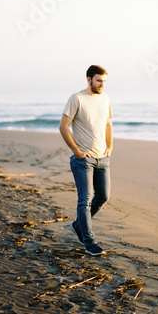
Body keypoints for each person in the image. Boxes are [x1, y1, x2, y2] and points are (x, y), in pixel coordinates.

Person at [59, 65, 113, 256]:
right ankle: (90, 242)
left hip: (102, 158)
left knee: (103, 197)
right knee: (85, 200)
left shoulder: (105, 98)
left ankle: (77, 225)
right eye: (99, 80)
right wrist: (76, 151)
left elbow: (108, 123)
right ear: (89, 79)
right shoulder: (77, 98)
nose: (102, 84)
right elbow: (63, 127)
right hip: (83, 160)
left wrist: (110, 146)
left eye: (104, 81)